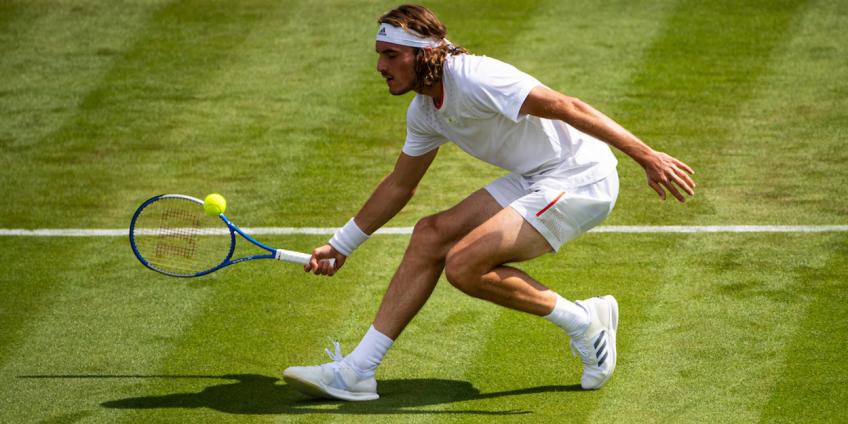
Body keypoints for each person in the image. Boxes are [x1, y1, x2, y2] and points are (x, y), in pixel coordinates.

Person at [283, 4, 695, 401]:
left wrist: (646, 155)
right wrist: (342, 244)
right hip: (535, 176)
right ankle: (357, 372)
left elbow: (568, 107)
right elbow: (398, 186)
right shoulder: (424, 111)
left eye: (391, 55)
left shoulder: (476, 76)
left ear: (424, 54)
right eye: (380, 55)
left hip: (580, 176)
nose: (380, 67)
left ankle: (585, 323)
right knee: (430, 235)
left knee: (463, 265)